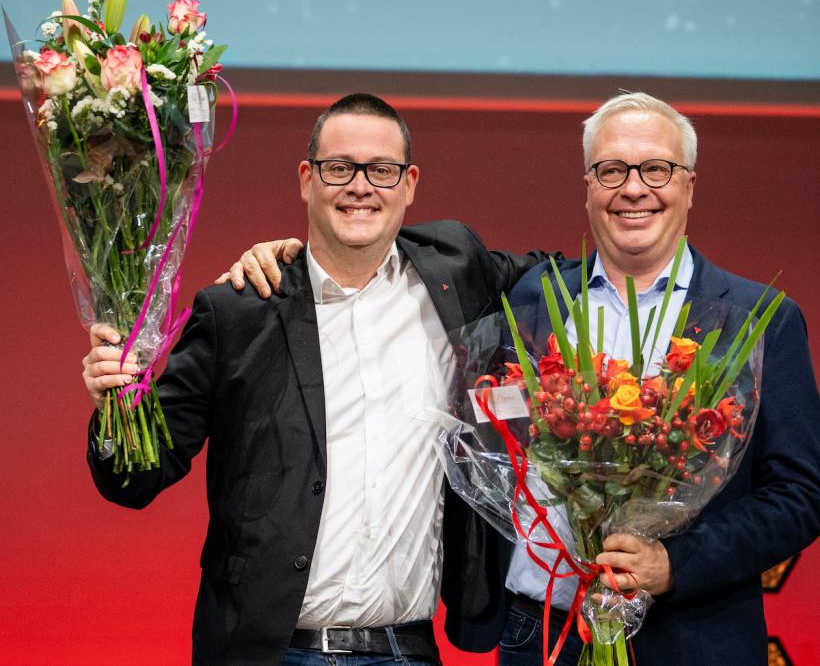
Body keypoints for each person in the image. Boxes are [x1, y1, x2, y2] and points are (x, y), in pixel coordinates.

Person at [232, 93, 820, 666]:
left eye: (657, 169)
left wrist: (675, 564)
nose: (633, 188)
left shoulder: (756, 319)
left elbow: (800, 496)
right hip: (534, 633)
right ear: (588, 186)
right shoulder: (532, 295)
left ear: (689, 186)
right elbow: (373, 238)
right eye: (610, 170)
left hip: (689, 634)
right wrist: (290, 255)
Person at [82, 93, 553, 665]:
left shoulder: (456, 270)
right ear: (307, 179)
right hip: (268, 652)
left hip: (406, 649)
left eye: (381, 170)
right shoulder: (239, 310)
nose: (361, 186)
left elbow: (572, 275)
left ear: (409, 184)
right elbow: (133, 479)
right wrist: (117, 407)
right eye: (339, 168)